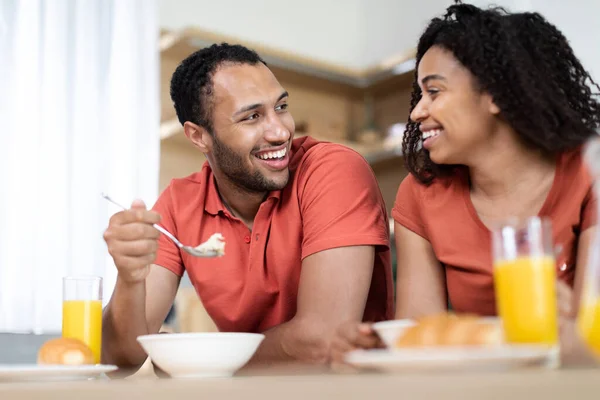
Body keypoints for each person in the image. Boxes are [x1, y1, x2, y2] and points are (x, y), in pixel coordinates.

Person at [101, 43, 394, 372]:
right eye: (252, 116)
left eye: (281, 107)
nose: (280, 131)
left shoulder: (333, 170)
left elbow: (322, 340)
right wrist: (129, 279)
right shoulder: (177, 204)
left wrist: (197, 358)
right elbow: (122, 358)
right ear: (199, 137)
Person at [331, 1, 599, 361]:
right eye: (420, 93)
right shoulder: (421, 194)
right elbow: (422, 341)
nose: (416, 111)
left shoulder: (589, 175)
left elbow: (590, 344)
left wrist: (568, 326)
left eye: (435, 91)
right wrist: (381, 350)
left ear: (496, 93)